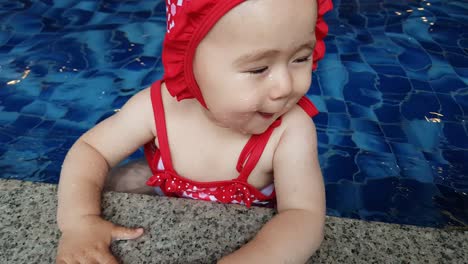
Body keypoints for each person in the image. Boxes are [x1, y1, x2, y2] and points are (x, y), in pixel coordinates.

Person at [55, 0, 333, 263]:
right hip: (164, 197)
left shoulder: (289, 130)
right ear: (189, 61)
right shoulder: (157, 109)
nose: (285, 87)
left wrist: (261, 256)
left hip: (245, 218)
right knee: (124, 179)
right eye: (259, 68)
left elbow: (303, 214)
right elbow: (91, 150)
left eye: (301, 58)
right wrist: (80, 221)